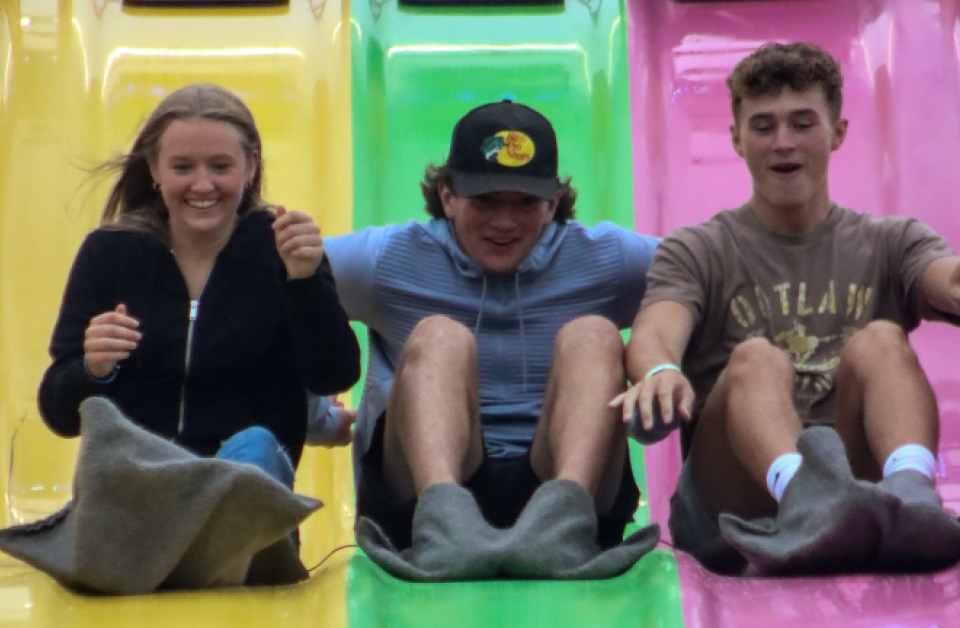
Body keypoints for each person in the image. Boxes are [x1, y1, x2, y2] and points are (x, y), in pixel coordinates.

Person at [615, 42, 960, 576]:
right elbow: (656, 331)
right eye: (763, 126)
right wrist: (660, 372)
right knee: (756, 358)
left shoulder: (890, 243)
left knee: (882, 341)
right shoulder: (701, 249)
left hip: (856, 487)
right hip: (734, 500)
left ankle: (911, 493)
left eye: (803, 123)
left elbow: (944, 278)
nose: (783, 143)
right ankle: (804, 494)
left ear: (838, 132)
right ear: (736, 138)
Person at [19, 83, 361, 590]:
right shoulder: (110, 254)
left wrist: (305, 282)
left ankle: (220, 557)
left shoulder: (280, 253)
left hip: (239, 494)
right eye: (183, 168)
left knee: (257, 446)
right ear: (155, 171)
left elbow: (334, 372)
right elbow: (58, 413)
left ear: (249, 166)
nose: (203, 184)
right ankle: (187, 559)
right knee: (124, 454)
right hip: (143, 495)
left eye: (220, 167)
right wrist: (92, 369)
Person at [324, 100, 661, 581]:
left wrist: (660, 364)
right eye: (485, 201)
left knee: (594, 334)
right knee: (440, 335)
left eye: (525, 202)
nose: (504, 222)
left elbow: (708, 277)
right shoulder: (389, 259)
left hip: (565, 485)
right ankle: (445, 529)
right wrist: (313, 412)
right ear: (447, 197)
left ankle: (563, 527)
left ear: (551, 204)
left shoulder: (603, 258)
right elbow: (279, 287)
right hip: (422, 496)